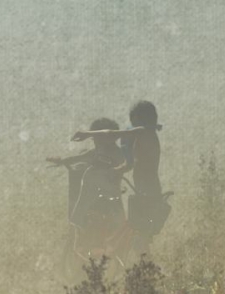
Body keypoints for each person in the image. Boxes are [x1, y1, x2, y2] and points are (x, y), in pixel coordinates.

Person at [71, 101, 169, 257]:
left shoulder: (143, 132)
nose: (131, 123)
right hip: (145, 190)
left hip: (147, 191)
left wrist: (88, 134)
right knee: (137, 234)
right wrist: (117, 170)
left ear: (138, 118)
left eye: (133, 119)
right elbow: (134, 164)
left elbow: (112, 134)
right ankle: (139, 269)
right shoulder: (148, 135)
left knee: (138, 235)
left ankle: (141, 270)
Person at [48, 118, 127, 263]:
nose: (95, 142)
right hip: (107, 200)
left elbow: (79, 158)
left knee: (82, 216)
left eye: (97, 138)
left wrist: (63, 161)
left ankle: (85, 247)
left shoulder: (110, 153)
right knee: (114, 221)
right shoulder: (106, 152)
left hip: (103, 199)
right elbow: (79, 158)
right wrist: (62, 161)